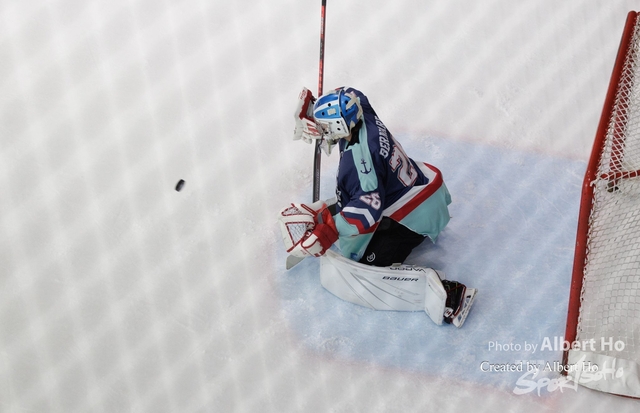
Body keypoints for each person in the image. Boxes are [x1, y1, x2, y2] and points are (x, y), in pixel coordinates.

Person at [278, 86, 475, 327]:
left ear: (338, 127)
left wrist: (329, 229)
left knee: (365, 268)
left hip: (415, 217)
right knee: (351, 203)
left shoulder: (360, 162)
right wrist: (317, 106)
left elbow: (368, 209)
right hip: (418, 188)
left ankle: (448, 294)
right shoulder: (362, 111)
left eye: (324, 126)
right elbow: (350, 91)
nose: (320, 131)